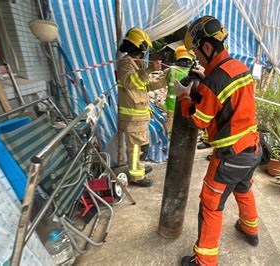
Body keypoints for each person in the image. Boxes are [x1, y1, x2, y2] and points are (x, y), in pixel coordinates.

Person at [174, 16, 262, 266]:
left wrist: (183, 98)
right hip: (252, 148)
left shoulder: (213, 82)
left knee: (211, 205)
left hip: (230, 155)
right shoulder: (239, 67)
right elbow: (229, 95)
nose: (196, 58)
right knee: (243, 190)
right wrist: (205, 76)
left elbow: (198, 119)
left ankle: (204, 261)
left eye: (197, 52)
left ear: (208, 47)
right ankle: (250, 230)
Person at [117, 28, 166, 187]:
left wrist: (163, 80)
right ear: (135, 49)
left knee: (141, 147)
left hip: (139, 118)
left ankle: (140, 169)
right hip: (133, 119)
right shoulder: (125, 64)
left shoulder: (133, 65)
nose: (142, 56)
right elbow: (130, 82)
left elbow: (144, 86)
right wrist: (149, 70)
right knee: (136, 148)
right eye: (140, 53)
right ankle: (137, 177)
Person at [164, 46, 194, 134]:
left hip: (172, 106)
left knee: (170, 131)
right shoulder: (195, 71)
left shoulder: (171, 70)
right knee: (183, 130)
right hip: (188, 106)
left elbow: (157, 83)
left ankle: (169, 143)